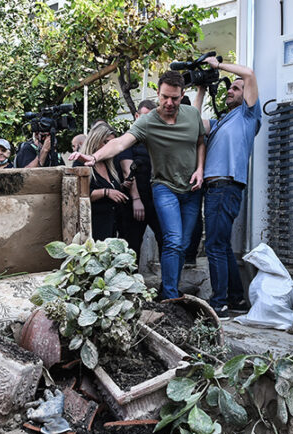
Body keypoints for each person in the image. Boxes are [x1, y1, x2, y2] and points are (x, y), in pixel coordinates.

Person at [69, 71, 205, 300]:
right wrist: (94, 156)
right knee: (173, 240)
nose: (169, 102)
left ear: (182, 95)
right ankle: (171, 296)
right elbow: (121, 143)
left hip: (191, 189)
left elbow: (200, 141)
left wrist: (200, 168)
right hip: (164, 186)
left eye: (174, 98)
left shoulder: (192, 114)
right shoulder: (148, 121)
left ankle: (170, 287)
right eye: (164, 97)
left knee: (183, 243)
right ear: (157, 93)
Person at [194, 60, 261, 320]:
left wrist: (218, 64)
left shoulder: (248, 115)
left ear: (246, 94)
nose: (230, 91)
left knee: (214, 245)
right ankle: (236, 299)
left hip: (225, 185)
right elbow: (194, 123)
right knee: (221, 245)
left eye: (236, 88)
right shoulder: (221, 121)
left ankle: (219, 303)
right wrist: (201, 90)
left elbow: (249, 74)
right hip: (215, 189)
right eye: (229, 88)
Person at [114, 99, 163, 262]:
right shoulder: (128, 140)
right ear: (136, 116)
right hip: (134, 202)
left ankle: (168, 278)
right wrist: (136, 199)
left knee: (165, 241)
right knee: (131, 246)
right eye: (144, 116)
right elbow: (127, 169)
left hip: (156, 199)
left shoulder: (156, 141)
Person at [72, 122, 127, 240]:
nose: (108, 147)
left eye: (111, 143)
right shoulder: (81, 163)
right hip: (93, 225)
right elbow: (79, 195)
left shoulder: (111, 162)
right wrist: (106, 192)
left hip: (114, 225)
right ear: (95, 140)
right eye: (106, 142)